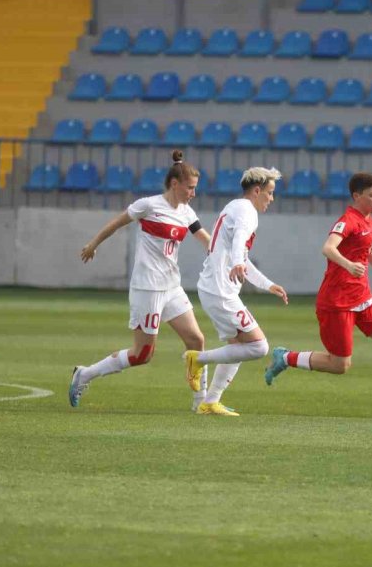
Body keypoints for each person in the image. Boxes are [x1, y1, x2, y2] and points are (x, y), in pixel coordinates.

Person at [264, 172, 372, 415]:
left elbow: (367, 248)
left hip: (363, 298)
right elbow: (328, 248)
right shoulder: (348, 220)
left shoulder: (369, 220)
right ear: (357, 196)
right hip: (337, 302)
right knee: (340, 365)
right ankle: (285, 358)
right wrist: (348, 265)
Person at [71, 150, 211, 410]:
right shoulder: (148, 205)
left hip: (172, 286)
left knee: (196, 340)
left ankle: (202, 402)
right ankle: (85, 374)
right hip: (148, 287)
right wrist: (93, 244)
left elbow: (205, 239)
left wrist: (226, 257)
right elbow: (116, 223)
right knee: (142, 354)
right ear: (175, 184)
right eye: (190, 188)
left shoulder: (186, 212)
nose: (193, 193)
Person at [183, 167, 289, 416]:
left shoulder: (235, 207)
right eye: (270, 193)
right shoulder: (247, 211)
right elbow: (240, 240)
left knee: (238, 347)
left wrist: (266, 284)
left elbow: (241, 255)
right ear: (257, 191)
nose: (272, 199)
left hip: (215, 288)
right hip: (220, 290)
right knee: (259, 346)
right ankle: (197, 359)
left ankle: (210, 402)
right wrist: (238, 263)